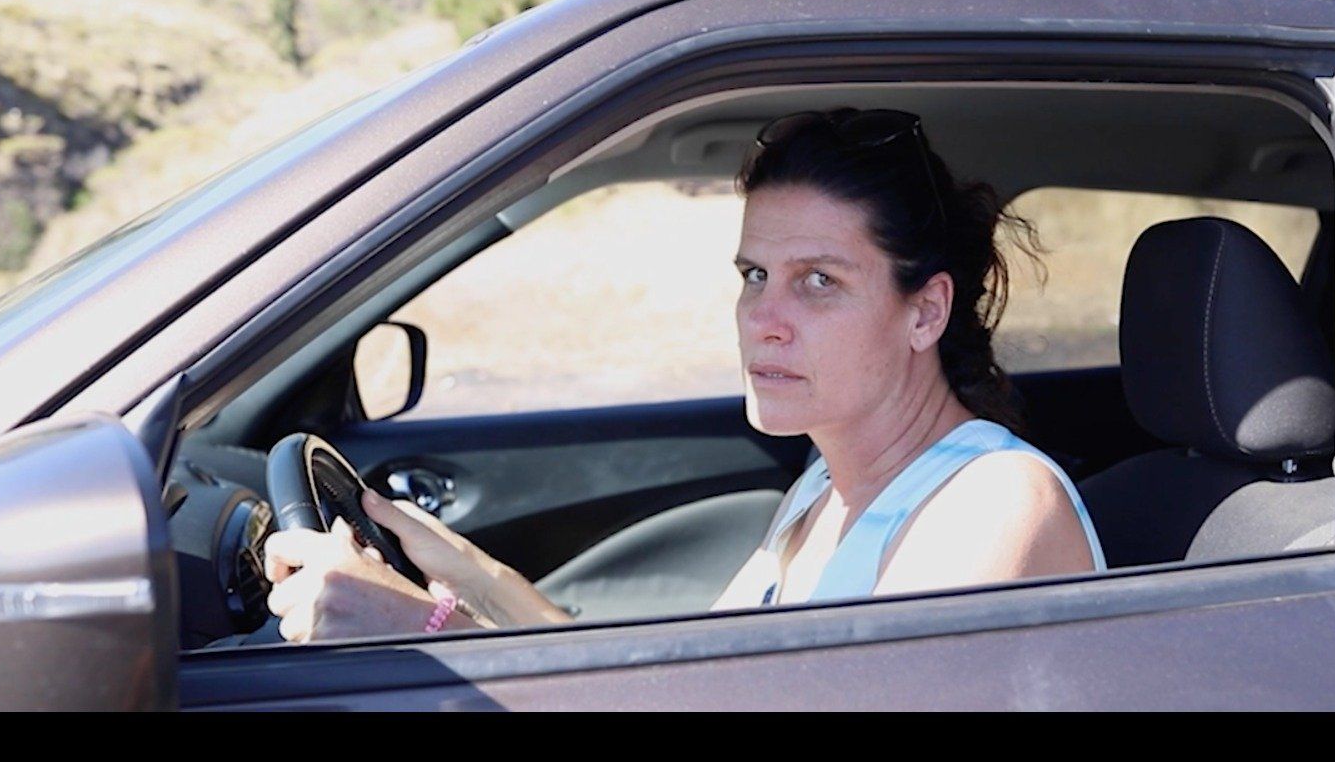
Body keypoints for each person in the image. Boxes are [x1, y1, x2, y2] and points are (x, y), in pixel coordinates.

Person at [264, 108, 1106, 642]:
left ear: (925, 312)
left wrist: (427, 630)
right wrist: (470, 577)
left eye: (819, 281)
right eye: (754, 275)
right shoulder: (826, 491)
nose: (764, 317)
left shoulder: (996, 505)